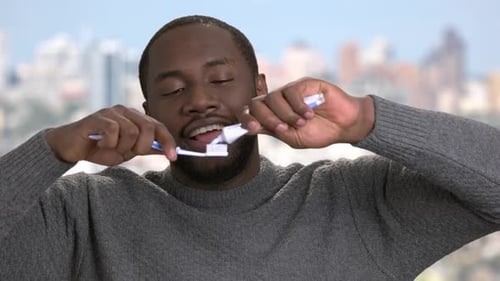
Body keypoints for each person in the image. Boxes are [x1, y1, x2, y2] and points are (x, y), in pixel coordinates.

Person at [0, 15, 499, 281]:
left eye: (220, 79)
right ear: (147, 107)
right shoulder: (83, 215)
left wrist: (366, 120)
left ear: (259, 89)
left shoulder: (355, 203)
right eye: (173, 91)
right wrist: (51, 149)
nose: (199, 101)